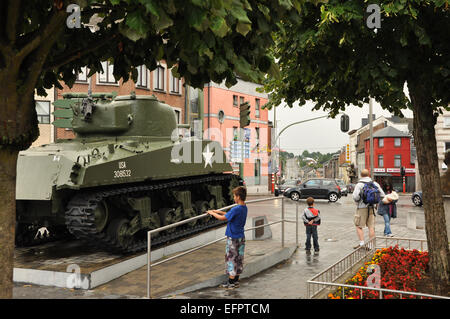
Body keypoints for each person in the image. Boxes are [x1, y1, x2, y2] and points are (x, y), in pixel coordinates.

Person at [207, 186, 248, 289]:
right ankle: (236, 281)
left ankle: (230, 282)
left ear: (238, 197)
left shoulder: (236, 208)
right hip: (241, 237)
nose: (233, 197)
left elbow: (223, 218)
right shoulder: (244, 207)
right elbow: (229, 215)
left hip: (233, 238)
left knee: (231, 259)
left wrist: (212, 213)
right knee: (239, 258)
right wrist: (219, 211)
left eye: (234, 196)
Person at [352, 169, 385, 249]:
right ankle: (370, 245)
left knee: (358, 225)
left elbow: (355, 197)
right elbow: (382, 194)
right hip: (371, 208)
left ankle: (362, 243)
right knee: (371, 227)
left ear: (361, 175)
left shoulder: (359, 184)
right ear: (369, 174)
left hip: (361, 207)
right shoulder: (374, 183)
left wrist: (359, 200)